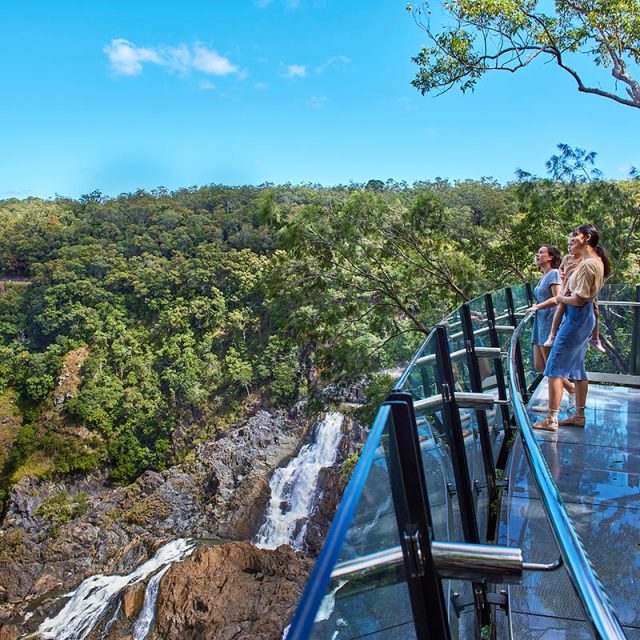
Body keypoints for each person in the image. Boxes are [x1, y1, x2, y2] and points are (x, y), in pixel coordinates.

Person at [529, 223, 609, 431]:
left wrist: (560, 298)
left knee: (554, 367)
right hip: (584, 318)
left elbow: (579, 299)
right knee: (578, 367)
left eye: (576, 236)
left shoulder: (588, 264)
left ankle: (551, 419)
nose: (572, 239)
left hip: (577, 318)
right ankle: (579, 415)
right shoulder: (592, 261)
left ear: (587, 238)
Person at [544, 235, 606, 354]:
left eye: (572, 244)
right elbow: (561, 269)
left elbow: (584, 288)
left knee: (596, 311)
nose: (570, 247)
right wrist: (562, 275)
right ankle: (552, 334)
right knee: (561, 306)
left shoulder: (585, 261)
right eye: (569, 244)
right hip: (569, 287)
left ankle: (595, 338)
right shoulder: (567, 258)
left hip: (581, 291)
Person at [529, 245, 562, 412]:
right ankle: (570, 390)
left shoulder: (554, 273)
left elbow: (558, 298)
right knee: (539, 365)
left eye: (541, 252)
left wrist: (538, 307)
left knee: (551, 367)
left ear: (550, 257)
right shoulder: (542, 277)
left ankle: (553, 404)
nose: (537, 254)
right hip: (540, 322)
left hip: (549, 321)